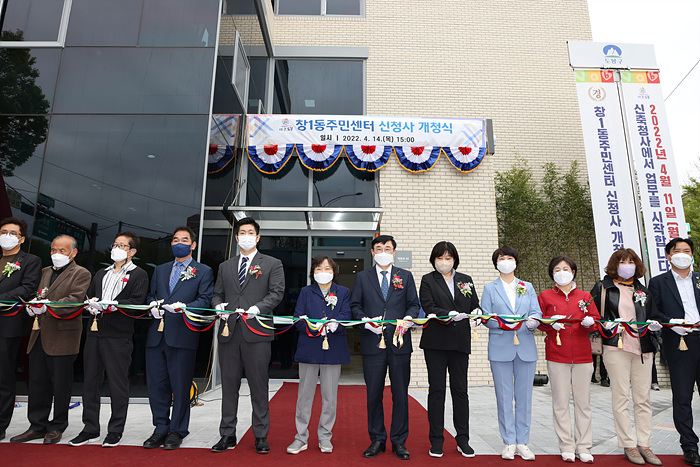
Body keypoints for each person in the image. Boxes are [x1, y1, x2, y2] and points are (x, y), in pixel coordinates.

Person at [211, 217, 284, 454]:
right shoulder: (225, 266)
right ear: (236, 237)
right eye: (242, 232)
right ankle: (227, 434)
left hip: (257, 333)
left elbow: (277, 293)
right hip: (229, 332)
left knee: (258, 386)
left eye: (250, 232)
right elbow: (217, 294)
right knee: (229, 386)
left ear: (258, 237)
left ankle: (261, 436)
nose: (246, 235)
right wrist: (218, 306)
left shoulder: (272, 263)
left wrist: (258, 308)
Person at [68, 232, 148, 448]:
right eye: (115, 244)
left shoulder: (138, 274)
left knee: (117, 383)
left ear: (132, 252)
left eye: (122, 245)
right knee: (90, 382)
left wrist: (115, 305)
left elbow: (137, 301)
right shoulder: (101, 273)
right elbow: (91, 296)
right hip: (95, 332)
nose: (117, 248)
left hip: (119, 335)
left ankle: (115, 430)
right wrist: (91, 303)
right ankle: (90, 428)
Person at [10, 235, 91, 445]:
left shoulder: (81, 273)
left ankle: (57, 426)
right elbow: (33, 294)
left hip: (63, 336)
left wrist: (47, 305)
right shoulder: (44, 272)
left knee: (60, 385)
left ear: (73, 253)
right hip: (39, 334)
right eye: (53, 250)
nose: (56, 254)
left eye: (62, 251)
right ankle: (37, 426)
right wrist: (32, 305)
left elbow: (74, 300)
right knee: (37, 383)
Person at [142, 226, 213, 450]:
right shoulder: (161, 270)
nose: (178, 243)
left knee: (180, 386)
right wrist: (151, 304)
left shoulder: (203, 271)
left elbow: (205, 300)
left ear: (193, 245)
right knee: (157, 385)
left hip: (183, 335)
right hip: (156, 335)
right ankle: (160, 428)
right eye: (174, 239)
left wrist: (186, 307)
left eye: (184, 239)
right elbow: (151, 294)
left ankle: (177, 429)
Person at [351, 234, 420, 460]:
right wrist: (365, 321)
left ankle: (399, 440)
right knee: (374, 394)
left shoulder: (405, 276)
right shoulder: (362, 277)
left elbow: (413, 304)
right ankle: (377, 439)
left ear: (393, 252)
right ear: (372, 252)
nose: (383, 251)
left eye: (387, 248)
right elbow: (355, 305)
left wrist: (408, 318)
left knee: (400, 393)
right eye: (378, 248)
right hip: (373, 343)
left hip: (399, 342)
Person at [591, 248, 662, 466]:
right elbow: (593, 317)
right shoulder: (603, 288)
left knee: (643, 399)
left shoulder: (643, 290)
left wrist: (655, 327)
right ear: (614, 264)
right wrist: (606, 325)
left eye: (631, 261)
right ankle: (629, 443)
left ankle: (645, 444)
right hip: (615, 347)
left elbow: (654, 316)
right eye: (622, 261)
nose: (627, 265)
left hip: (643, 348)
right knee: (621, 397)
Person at [418, 241, 480, 458]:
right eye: (440, 258)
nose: (444, 262)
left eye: (448, 258)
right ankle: (436, 440)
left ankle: (463, 439)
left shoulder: (466, 279)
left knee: (460, 391)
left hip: (460, 342)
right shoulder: (427, 280)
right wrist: (451, 314)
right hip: (435, 342)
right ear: (433, 259)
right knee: (437, 391)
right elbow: (429, 307)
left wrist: (477, 314)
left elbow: (473, 304)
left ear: (455, 259)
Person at [481, 245, 541, 461]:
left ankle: (523, 442)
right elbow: (486, 317)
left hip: (525, 345)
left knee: (524, 397)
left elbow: (536, 311)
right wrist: (503, 324)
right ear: (496, 263)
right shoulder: (490, 288)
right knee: (504, 397)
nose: (506, 261)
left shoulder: (527, 286)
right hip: (500, 347)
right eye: (501, 258)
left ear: (516, 261)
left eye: (509, 257)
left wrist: (533, 321)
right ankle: (508, 441)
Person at [538, 256, 600, 463]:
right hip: (557, 354)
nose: (562, 272)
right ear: (552, 273)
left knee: (583, 403)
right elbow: (538, 322)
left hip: (583, 356)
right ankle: (566, 445)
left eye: (566, 268)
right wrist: (549, 325)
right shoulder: (546, 296)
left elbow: (596, 322)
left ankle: (584, 446)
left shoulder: (585, 296)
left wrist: (591, 323)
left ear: (573, 272)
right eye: (557, 269)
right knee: (560, 402)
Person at [286, 255, 351, 455]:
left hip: (333, 348)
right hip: (309, 348)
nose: (323, 272)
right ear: (313, 272)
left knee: (329, 397)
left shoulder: (343, 292)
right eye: (319, 269)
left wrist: (334, 325)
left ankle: (325, 437)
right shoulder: (306, 292)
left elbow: (346, 315)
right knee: (304, 395)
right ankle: (301, 437)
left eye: (327, 268)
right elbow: (297, 318)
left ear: (334, 271)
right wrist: (312, 328)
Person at [649, 238, 700, 466]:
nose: (682, 254)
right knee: (682, 398)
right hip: (680, 343)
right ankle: (689, 447)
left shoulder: (699, 279)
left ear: (692, 256)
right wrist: (671, 322)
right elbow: (653, 311)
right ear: (668, 256)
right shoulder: (659, 282)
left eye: (686, 251)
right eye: (676, 251)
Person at [0, 217, 41, 441]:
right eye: (3, 231)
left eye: (12, 232)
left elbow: (27, 288)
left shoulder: (30, 260)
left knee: (3, 376)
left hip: (8, 324)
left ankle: (0, 423)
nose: (7, 235)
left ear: (21, 238)